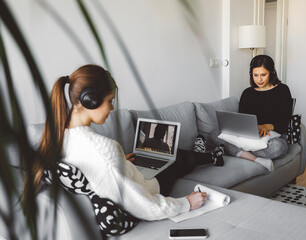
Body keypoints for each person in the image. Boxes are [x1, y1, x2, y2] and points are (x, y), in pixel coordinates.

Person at [28, 64, 225, 221]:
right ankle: (212, 155)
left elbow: (101, 171)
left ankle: (211, 155)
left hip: (131, 172)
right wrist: (187, 203)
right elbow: (145, 207)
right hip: (149, 185)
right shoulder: (104, 149)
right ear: (90, 100)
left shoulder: (60, 137)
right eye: (110, 101)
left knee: (173, 157)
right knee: (177, 160)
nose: (112, 108)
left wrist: (121, 162)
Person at [210, 55, 292, 171]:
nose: (259, 79)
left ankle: (239, 151)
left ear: (272, 73)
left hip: (272, 136)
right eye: (255, 75)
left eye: (263, 75)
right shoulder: (247, 93)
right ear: (251, 74)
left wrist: (265, 127)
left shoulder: (282, 90)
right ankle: (256, 159)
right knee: (215, 133)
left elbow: (284, 122)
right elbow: (243, 120)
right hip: (250, 136)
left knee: (280, 147)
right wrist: (252, 129)